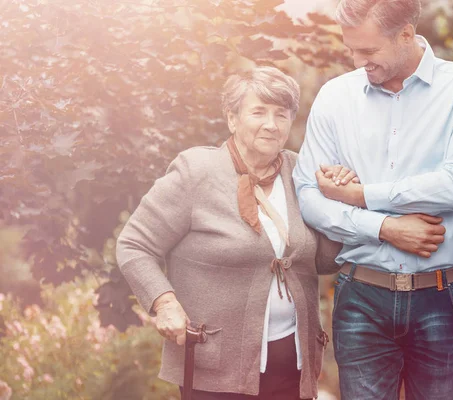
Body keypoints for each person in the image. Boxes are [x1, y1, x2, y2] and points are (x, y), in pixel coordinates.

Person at [292, 0, 453, 399]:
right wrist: (385, 228)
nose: (357, 61)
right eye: (351, 49)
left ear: (406, 33)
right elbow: (309, 195)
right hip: (361, 297)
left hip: (443, 296)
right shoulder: (335, 97)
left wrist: (360, 195)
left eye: (368, 51)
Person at [116, 66, 350, 400]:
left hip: (293, 367)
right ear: (232, 119)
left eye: (281, 115)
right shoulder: (197, 171)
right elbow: (135, 245)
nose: (271, 124)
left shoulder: (301, 173)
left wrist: (340, 201)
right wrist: (164, 303)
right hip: (215, 369)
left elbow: (325, 261)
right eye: (259, 112)